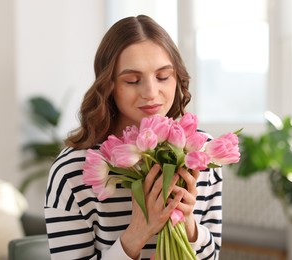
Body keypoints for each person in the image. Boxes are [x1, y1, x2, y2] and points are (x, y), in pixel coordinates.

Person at [44, 15, 222, 260]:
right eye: (132, 80)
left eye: (162, 77)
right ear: (108, 86)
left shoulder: (201, 151)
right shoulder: (73, 171)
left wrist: (188, 225)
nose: (151, 93)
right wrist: (137, 233)